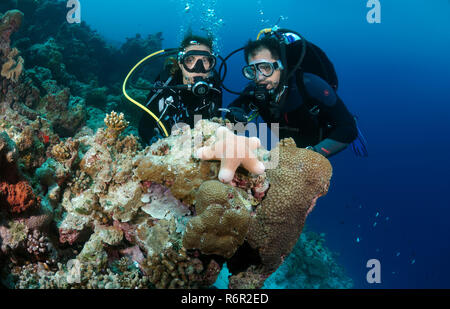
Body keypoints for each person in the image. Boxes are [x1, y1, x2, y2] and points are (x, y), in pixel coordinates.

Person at [227, 35, 359, 158]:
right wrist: (233, 117)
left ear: (280, 66)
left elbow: (348, 128)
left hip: (318, 142)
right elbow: (235, 109)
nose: (259, 77)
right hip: (288, 148)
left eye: (266, 68)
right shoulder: (254, 91)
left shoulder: (310, 85)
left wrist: (312, 154)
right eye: (253, 71)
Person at [138, 34, 222, 145]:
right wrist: (156, 145)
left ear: (211, 64)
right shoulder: (166, 81)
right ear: (180, 63)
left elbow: (215, 124)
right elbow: (145, 125)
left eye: (205, 60)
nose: (198, 68)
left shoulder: (214, 87)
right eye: (190, 60)